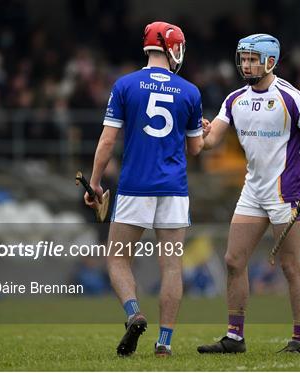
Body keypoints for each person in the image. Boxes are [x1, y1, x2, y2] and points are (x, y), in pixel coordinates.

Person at [197, 33, 300, 354]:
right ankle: (235, 337)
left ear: (270, 61)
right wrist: (202, 130)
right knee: (233, 260)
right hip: (253, 190)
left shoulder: (292, 97)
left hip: (288, 190)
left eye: (252, 58)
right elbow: (211, 141)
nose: (246, 64)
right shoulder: (234, 99)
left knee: (289, 266)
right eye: (243, 58)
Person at [84, 21, 204, 357]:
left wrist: (94, 183)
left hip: (135, 186)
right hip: (175, 190)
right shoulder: (190, 91)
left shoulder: (125, 85)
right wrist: (202, 132)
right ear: (169, 47)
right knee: (171, 266)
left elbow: (108, 140)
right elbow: (196, 149)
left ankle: (134, 313)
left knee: (118, 258)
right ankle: (164, 342)